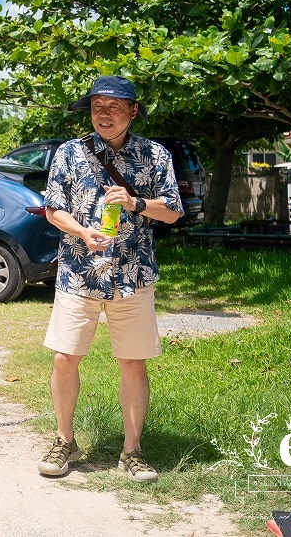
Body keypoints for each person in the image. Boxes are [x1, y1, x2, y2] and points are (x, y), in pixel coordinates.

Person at [37, 76, 183, 483]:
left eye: (113, 106)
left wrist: (136, 203)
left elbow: (172, 210)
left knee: (132, 363)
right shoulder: (69, 153)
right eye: (97, 105)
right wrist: (82, 232)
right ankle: (65, 440)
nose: (103, 113)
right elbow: (53, 209)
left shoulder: (154, 155)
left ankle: (132, 451)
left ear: (133, 111)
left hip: (132, 275)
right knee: (65, 357)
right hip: (78, 273)